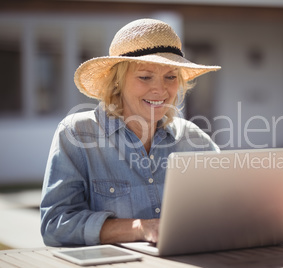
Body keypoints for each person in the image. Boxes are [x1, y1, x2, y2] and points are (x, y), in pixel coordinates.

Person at [40, 18, 221, 247]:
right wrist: (140, 228)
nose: (160, 89)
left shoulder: (193, 138)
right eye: (145, 77)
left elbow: (230, 204)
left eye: (171, 76)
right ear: (117, 81)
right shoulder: (77, 134)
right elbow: (55, 226)